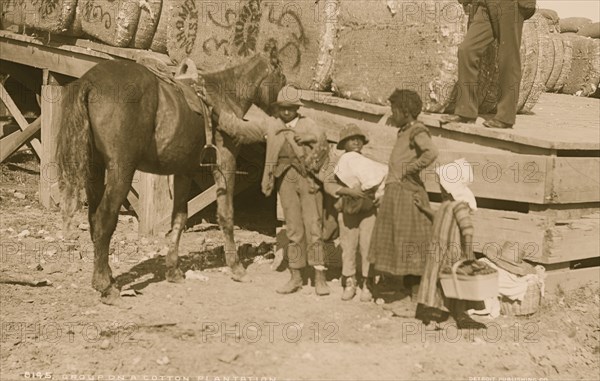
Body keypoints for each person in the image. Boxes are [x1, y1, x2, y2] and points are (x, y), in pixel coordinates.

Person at [216, 86, 331, 296]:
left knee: (314, 228)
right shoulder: (271, 125)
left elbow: (323, 147)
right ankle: (296, 276)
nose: (286, 112)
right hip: (285, 180)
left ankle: (320, 277)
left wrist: (310, 153)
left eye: (291, 108)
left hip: (308, 180)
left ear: (297, 108)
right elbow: (240, 129)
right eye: (283, 108)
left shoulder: (309, 125)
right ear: (277, 108)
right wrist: (214, 109)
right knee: (294, 229)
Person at [367, 89, 439, 295]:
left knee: (411, 238)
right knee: (397, 237)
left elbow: (431, 152)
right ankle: (405, 285)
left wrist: (409, 169)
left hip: (406, 193)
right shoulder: (405, 131)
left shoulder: (417, 130)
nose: (392, 115)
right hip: (396, 191)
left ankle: (417, 289)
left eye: (394, 111)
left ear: (405, 112)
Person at [414, 158, 486, 329]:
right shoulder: (447, 204)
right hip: (438, 252)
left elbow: (467, 228)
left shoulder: (460, 205)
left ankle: (456, 316)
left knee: (451, 283)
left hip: (451, 252)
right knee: (438, 282)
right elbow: (439, 219)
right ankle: (439, 314)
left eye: (442, 184)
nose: (440, 187)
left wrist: (468, 252)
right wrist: (424, 209)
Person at [442, 0, 537, 129]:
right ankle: (466, 112)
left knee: (508, 58)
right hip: (485, 5)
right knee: (466, 50)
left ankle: (505, 117)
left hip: (510, 5)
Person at [321, 123, 388, 301]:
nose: (356, 142)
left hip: (368, 210)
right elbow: (328, 185)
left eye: (359, 139)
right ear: (343, 144)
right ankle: (349, 281)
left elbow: (380, 182)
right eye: (351, 140)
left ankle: (367, 283)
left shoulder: (368, 162)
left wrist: (379, 195)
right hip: (348, 209)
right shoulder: (337, 163)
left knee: (367, 246)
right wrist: (349, 191)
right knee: (348, 247)